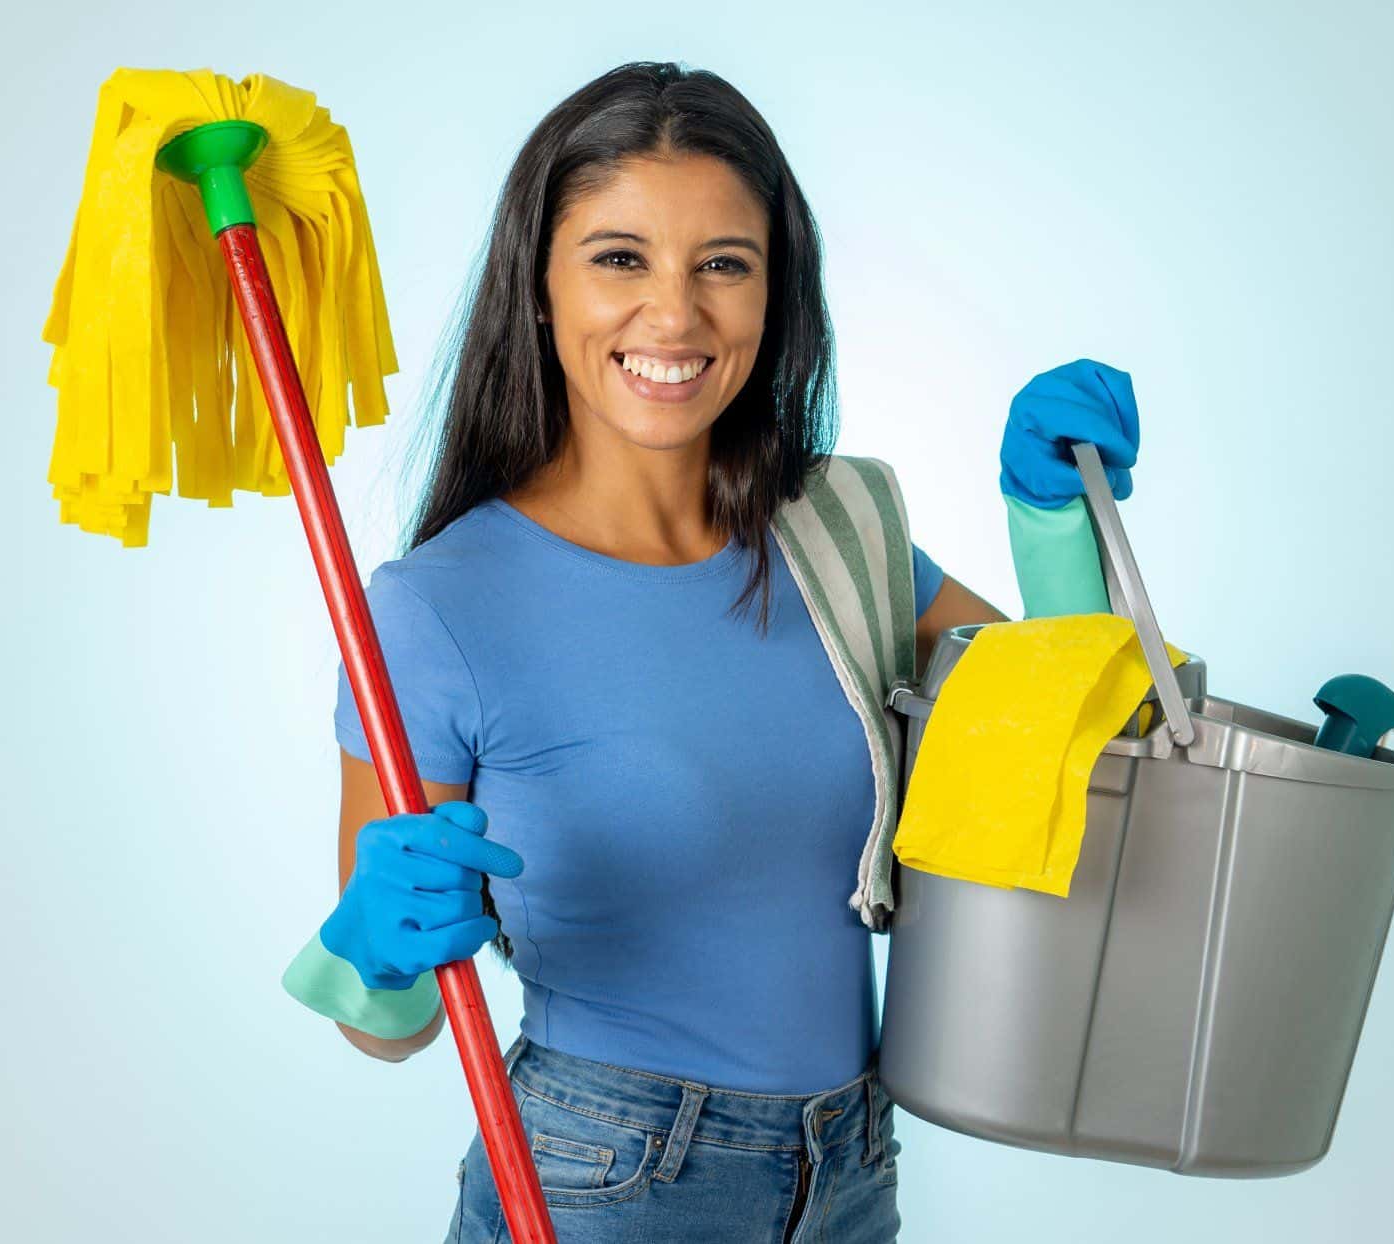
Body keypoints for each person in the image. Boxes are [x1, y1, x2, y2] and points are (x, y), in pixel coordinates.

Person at [280, 60, 1142, 1243]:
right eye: (620, 258)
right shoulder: (440, 607)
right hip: (600, 1180)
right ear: (539, 285)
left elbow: (1077, 747)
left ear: (775, 295)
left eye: (723, 265)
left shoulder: (842, 532)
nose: (674, 317)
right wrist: (369, 944)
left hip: (848, 1170)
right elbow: (386, 1027)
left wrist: (1056, 528)